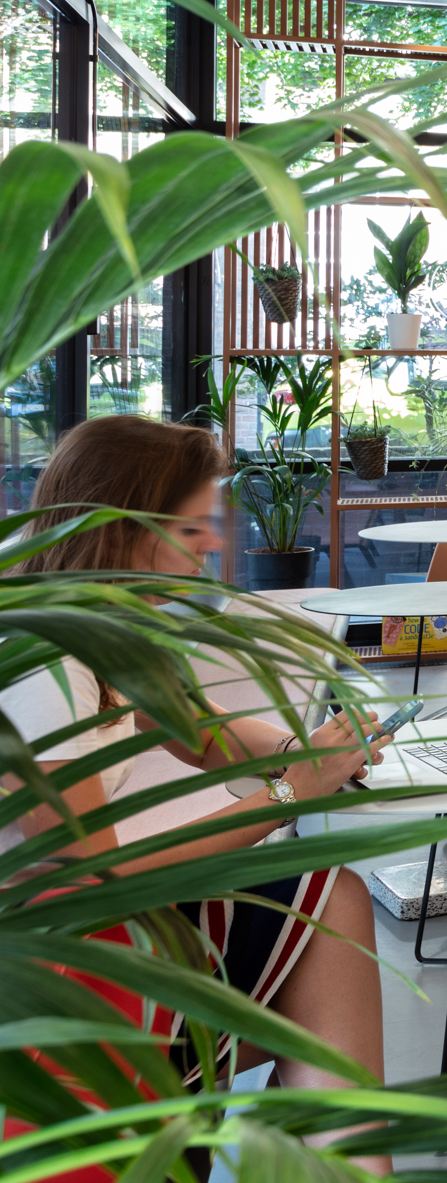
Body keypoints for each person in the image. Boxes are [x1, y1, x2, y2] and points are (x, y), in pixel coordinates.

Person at [1, 415, 395, 1104]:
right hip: (49, 959)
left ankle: (332, 1145)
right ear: (120, 531)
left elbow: (199, 731)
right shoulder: (45, 667)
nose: (213, 543)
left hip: (76, 929)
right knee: (326, 922)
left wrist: (299, 752)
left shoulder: (95, 620)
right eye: (190, 530)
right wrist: (290, 793)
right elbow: (98, 877)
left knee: (331, 906)